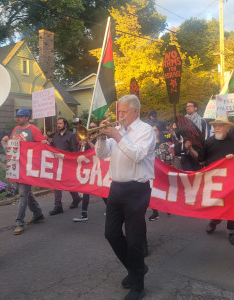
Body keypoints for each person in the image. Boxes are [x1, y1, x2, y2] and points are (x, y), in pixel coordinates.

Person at [95, 94, 156, 300]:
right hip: (117, 187)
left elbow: (138, 155)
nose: (119, 116)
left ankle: (138, 285)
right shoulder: (118, 131)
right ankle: (136, 268)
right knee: (110, 233)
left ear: (135, 112)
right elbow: (102, 155)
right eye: (118, 111)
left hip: (137, 190)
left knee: (134, 239)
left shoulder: (145, 130)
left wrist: (118, 136)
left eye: (123, 112)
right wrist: (103, 137)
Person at [185, 115, 234, 245]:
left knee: (232, 207)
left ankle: (232, 232)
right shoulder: (208, 142)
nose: (217, 128)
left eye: (220, 125)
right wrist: (189, 149)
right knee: (216, 205)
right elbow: (200, 159)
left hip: (231, 180)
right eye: (215, 126)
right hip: (213, 181)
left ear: (227, 127)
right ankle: (214, 221)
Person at [1, 108, 48, 235]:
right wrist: (6, 140)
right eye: (17, 116)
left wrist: (44, 142)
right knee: (26, 193)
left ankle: (19, 222)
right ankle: (38, 214)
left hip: (28, 168)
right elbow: (12, 146)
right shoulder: (16, 130)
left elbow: (43, 146)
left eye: (20, 116)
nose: (17, 118)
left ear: (27, 117)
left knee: (22, 194)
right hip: (16, 167)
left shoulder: (34, 130)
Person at [73, 121, 107, 222]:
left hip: (98, 167)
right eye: (90, 127)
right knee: (85, 190)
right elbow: (82, 154)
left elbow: (97, 150)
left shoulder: (100, 138)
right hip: (89, 167)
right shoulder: (88, 138)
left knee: (101, 189)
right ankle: (84, 214)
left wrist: (87, 141)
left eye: (93, 127)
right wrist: (82, 145)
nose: (91, 128)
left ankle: (110, 207)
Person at [49, 117, 81, 215]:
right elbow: (51, 148)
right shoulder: (55, 136)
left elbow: (74, 151)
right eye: (57, 123)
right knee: (56, 184)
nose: (58, 125)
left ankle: (76, 198)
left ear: (65, 125)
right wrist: (46, 141)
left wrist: (72, 163)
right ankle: (58, 206)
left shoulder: (71, 136)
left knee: (69, 184)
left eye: (60, 123)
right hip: (57, 164)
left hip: (67, 164)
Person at [149, 122, 173, 221]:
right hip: (151, 172)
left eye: (155, 130)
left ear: (159, 132)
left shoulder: (164, 145)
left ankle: (167, 207)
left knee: (163, 190)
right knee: (151, 191)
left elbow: (169, 160)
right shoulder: (148, 144)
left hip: (161, 173)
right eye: (152, 130)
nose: (153, 132)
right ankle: (155, 212)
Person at [177, 101, 208, 171]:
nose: (188, 108)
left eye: (190, 106)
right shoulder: (182, 121)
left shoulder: (202, 121)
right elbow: (179, 138)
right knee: (186, 176)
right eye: (187, 106)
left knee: (197, 176)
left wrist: (202, 154)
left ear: (195, 108)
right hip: (185, 152)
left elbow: (205, 137)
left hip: (197, 153)